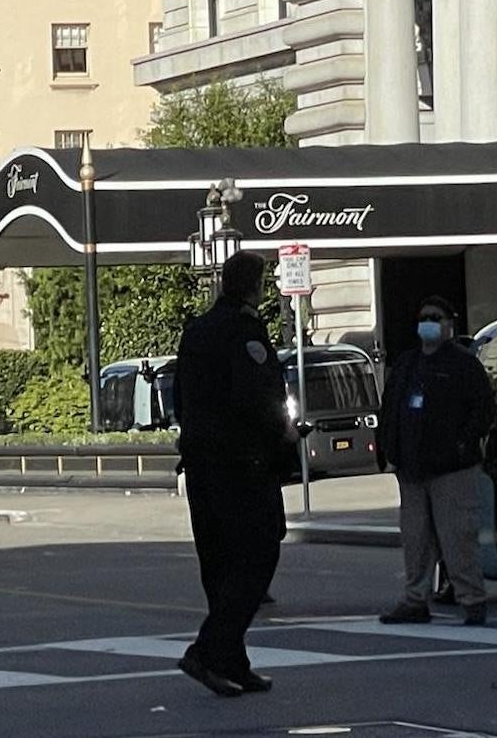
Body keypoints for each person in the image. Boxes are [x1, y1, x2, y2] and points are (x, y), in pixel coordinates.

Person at [173, 250, 300, 697]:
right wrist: (283, 440)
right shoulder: (245, 332)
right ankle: (209, 650)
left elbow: (181, 399)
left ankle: (232, 661)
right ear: (254, 286)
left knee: (221, 566)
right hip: (241, 466)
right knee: (257, 557)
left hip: (201, 464)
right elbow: (260, 398)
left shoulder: (197, 332)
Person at [378, 296, 495, 626]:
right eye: (424, 316)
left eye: (435, 317)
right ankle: (415, 599)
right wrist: (389, 448)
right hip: (411, 468)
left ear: (449, 325)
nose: (428, 322)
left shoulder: (463, 365)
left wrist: (462, 444)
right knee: (415, 540)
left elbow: (483, 409)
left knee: (458, 536)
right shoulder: (407, 364)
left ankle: (471, 599)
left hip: (452, 469)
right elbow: (391, 408)